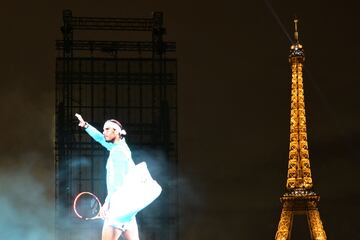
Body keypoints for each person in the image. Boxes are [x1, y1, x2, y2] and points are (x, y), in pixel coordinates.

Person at [75, 113, 140, 240]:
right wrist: (85, 125)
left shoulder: (118, 152)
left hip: (118, 206)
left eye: (106, 129)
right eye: (104, 129)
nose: (103, 132)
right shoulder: (120, 146)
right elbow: (100, 138)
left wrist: (107, 203)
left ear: (115, 132)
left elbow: (117, 182)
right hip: (129, 210)